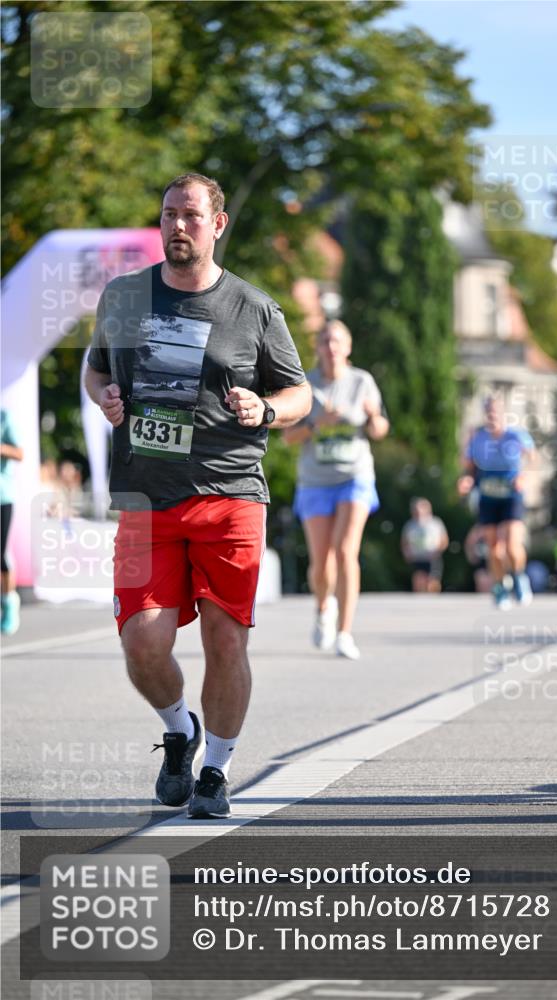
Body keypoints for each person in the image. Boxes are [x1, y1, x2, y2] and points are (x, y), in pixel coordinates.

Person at [84, 173, 311, 819]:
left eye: (189, 215)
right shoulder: (125, 296)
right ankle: (180, 732)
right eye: (167, 215)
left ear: (217, 224)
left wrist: (264, 408)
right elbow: (96, 365)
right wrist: (101, 394)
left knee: (224, 639)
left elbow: (299, 395)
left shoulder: (253, 307)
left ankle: (215, 770)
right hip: (144, 497)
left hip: (228, 493)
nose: (177, 226)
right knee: (142, 640)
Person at [283, 320, 389, 660]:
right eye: (326, 340)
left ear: (348, 347)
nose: (332, 347)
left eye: (338, 341)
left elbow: (381, 428)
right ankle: (323, 608)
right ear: (317, 347)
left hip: (354, 476)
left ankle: (345, 632)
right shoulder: (305, 386)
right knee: (321, 561)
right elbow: (288, 437)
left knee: (345, 551)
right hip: (315, 480)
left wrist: (374, 420)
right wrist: (317, 423)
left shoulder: (362, 382)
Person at [458, 395, 535, 609]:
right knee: (493, 549)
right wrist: (466, 480)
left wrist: (524, 475)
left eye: (496, 411)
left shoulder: (516, 435)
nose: (492, 415)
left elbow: (533, 458)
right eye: (489, 411)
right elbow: (469, 468)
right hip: (488, 496)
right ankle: (500, 587)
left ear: (503, 412)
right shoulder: (477, 438)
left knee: (511, 545)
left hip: (512, 495)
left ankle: (519, 576)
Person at [0, 409, 24, 635]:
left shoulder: (4, 416)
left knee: (1, 554)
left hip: (2, 496)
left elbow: (19, 453)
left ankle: (9, 603)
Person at [401, 497, 449, 593]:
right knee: (418, 581)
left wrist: (437, 552)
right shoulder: (410, 525)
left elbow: (444, 540)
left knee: (433, 582)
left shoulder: (435, 523)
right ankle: (419, 604)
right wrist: (406, 553)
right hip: (417, 557)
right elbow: (404, 542)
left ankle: (433, 604)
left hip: (432, 558)